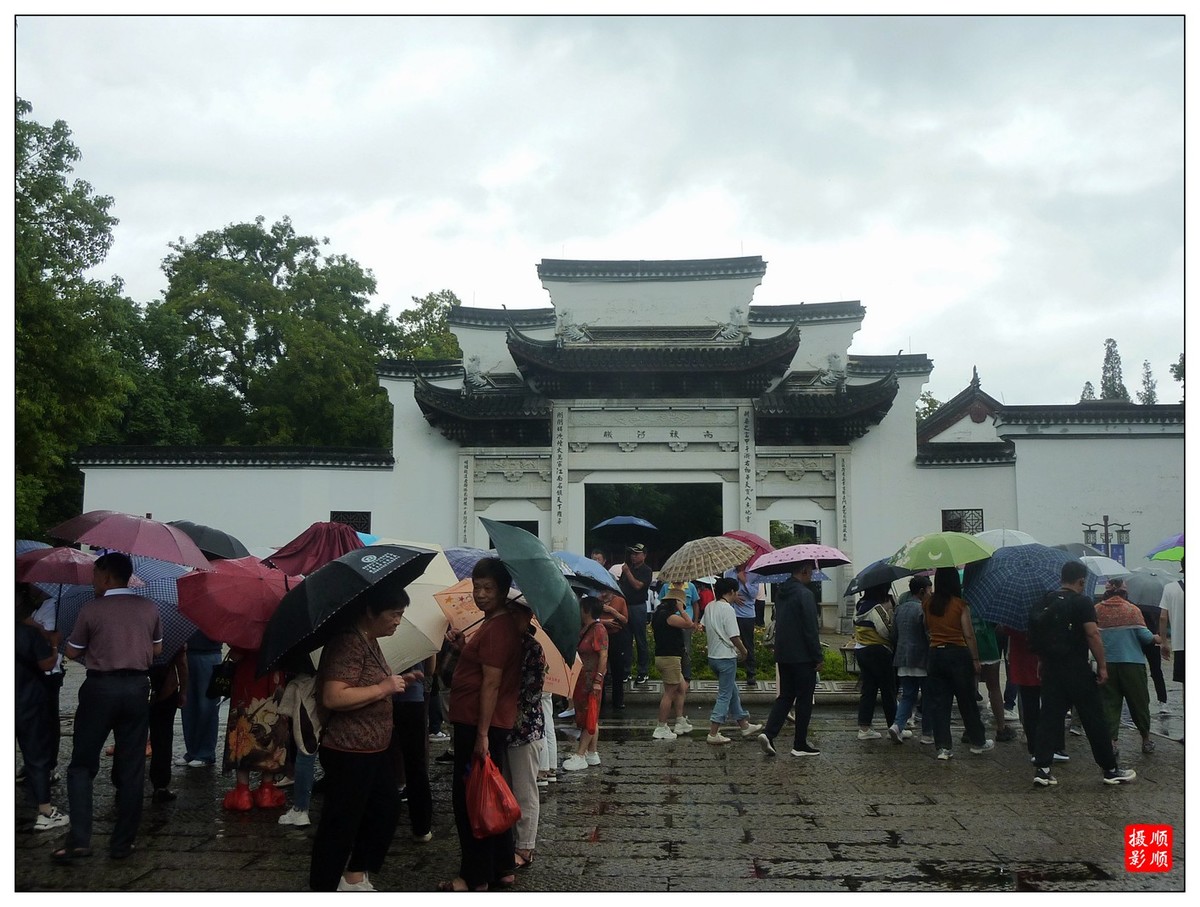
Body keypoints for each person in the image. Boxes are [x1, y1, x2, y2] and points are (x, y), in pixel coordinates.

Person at [53, 552, 162, 863]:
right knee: (131, 769)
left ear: (106, 577)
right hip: (138, 688)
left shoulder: (91, 609)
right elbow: (158, 649)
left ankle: (80, 840)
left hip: (101, 688)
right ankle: (122, 843)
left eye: (94, 575)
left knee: (82, 765)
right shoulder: (149, 607)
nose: (92, 581)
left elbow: (73, 652)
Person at [309, 590, 415, 891]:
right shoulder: (348, 642)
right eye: (393, 614)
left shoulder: (369, 639)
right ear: (370, 611)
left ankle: (354, 873)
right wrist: (383, 687)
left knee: (386, 807)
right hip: (349, 749)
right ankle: (324, 886)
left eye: (401, 615)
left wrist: (397, 684)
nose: (397, 621)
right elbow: (334, 696)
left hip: (374, 747)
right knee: (340, 823)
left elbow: (367, 684)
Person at [440, 557, 527, 893]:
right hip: (488, 724)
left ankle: (474, 876)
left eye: (488, 588)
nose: (480, 594)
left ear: (504, 591)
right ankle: (502, 866)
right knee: (492, 792)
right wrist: (465, 649)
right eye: (477, 587)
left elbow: (490, 684)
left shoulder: (497, 628)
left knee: (470, 800)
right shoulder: (496, 624)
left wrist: (481, 735)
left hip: (479, 725)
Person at [1031, 560, 1136, 787]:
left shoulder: (1046, 599)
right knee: (1094, 718)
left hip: (1051, 668)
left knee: (1049, 718)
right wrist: (1103, 665)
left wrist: (1042, 661)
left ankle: (1043, 768)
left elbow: (1041, 634)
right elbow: (1092, 635)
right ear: (1081, 581)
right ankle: (1110, 769)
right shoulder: (1082, 602)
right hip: (1076, 670)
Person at [922, 566, 992, 761]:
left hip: (935, 654)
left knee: (939, 702)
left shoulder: (928, 604)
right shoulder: (960, 605)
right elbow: (968, 634)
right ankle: (978, 742)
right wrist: (975, 659)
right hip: (958, 654)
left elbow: (927, 627)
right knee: (967, 700)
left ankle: (943, 747)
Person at [17, 583, 69, 832]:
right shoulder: (25, 635)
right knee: (36, 756)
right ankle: (45, 811)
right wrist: (55, 643)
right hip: (27, 701)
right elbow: (48, 664)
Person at [756, 560, 822, 757]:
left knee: (785, 696)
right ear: (803, 570)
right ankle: (799, 743)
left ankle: (769, 733)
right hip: (803, 655)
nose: (812, 575)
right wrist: (817, 656)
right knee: (804, 700)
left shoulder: (781, 593)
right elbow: (810, 629)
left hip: (784, 653)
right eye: (811, 571)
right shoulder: (805, 594)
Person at [1094, 578, 1161, 756]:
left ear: (1107, 592)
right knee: (1139, 702)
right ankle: (1146, 740)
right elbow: (1146, 638)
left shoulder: (1097, 610)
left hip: (1107, 664)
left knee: (1110, 703)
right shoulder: (1132, 610)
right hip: (1132, 664)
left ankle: (1112, 743)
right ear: (1124, 593)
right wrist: (1157, 638)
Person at [220, 647, 290, 811]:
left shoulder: (245, 623)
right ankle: (266, 789)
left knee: (244, 731)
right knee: (273, 731)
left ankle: (243, 792)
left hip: (248, 681)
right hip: (274, 680)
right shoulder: (280, 623)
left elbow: (236, 656)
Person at [503, 619, 547, 871]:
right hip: (505, 728)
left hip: (525, 728)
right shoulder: (504, 644)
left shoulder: (532, 649)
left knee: (524, 789)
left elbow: (528, 692)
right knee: (508, 788)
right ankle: (511, 840)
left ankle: (525, 846)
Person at [700, 577, 763, 745]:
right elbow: (734, 636)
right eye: (736, 592)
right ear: (731, 592)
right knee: (725, 694)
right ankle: (713, 733)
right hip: (726, 657)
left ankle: (744, 725)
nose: (737, 595)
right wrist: (744, 651)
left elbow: (704, 627)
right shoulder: (727, 609)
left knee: (732, 689)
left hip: (713, 656)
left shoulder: (709, 606)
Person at [389, 657, 434, 843]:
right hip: (413, 698)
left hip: (382, 697)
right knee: (416, 764)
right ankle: (422, 827)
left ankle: (382, 821)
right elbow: (430, 670)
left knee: (384, 763)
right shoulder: (420, 630)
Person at [564, 595, 609, 770]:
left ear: (586, 610)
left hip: (592, 680)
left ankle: (580, 754)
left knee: (588, 716)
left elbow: (603, 655)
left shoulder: (598, 629)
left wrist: (598, 678)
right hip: (582, 679)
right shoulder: (586, 628)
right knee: (590, 716)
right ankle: (592, 752)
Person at [890, 575, 932, 745]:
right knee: (928, 696)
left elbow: (894, 634)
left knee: (908, 696)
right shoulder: (923, 609)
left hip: (902, 658)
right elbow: (928, 634)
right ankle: (927, 733)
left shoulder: (899, 609)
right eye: (929, 591)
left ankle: (897, 725)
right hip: (922, 659)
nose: (931, 594)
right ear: (922, 592)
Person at [852, 582, 897, 739]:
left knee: (868, 690)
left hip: (861, 650)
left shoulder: (860, 605)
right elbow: (886, 631)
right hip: (878, 651)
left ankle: (864, 728)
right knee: (888, 690)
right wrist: (890, 614)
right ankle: (894, 726)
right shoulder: (876, 608)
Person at [651, 586, 695, 739]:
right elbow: (689, 624)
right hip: (670, 658)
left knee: (681, 687)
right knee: (669, 693)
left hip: (664, 656)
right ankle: (661, 726)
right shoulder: (668, 616)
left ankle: (680, 719)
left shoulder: (658, 614)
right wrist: (682, 610)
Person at [147, 646, 188, 803]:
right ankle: (160, 785)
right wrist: (183, 691)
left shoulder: (124, 628)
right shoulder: (171, 630)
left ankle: (123, 783)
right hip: (166, 688)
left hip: (135, 684)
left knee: (128, 736)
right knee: (162, 737)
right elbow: (182, 662)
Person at [178, 628, 224, 767]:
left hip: (209, 653)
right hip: (188, 653)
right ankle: (192, 750)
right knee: (188, 705)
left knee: (207, 706)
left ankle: (206, 753)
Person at [972, 610, 1016, 742]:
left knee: (970, 689)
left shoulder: (962, 598)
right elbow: (998, 625)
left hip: (969, 648)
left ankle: (970, 729)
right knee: (994, 687)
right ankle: (1001, 729)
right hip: (989, 647)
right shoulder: (990, 599)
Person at [615, 543, 654, 685]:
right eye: (632, 554)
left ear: (644, 555)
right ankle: (626, 670)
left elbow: (638, 586)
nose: (633, 556)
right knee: (625, 640)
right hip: (625, 605)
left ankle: (643, 671)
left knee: (640, 640)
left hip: (638, 606)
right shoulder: (628, 569)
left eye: (637, 554)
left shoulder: (646, 570)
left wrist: (627, 573)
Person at [722, 563, 762, 687]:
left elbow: (754, 594)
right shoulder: (728, 573)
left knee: (748, 644)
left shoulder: (753, 574)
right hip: (730, 612)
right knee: (729, 643)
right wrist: (733, 597)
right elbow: (724, 592)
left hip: (746, 615)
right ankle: (730, 673)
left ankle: (751, 673)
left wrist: (744, 581)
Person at [597, 586, 629, 712]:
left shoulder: (620, 601)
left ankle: (618, 700)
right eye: (602, 590)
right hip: (602, 635)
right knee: (602, 668)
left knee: (617, 670)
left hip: (617, 636)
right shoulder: (597, 601)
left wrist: (612, 610)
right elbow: (592, 618)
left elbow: (625, 620)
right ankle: (601, 700)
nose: (603, 593)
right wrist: (605, 622)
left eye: (606, 590)